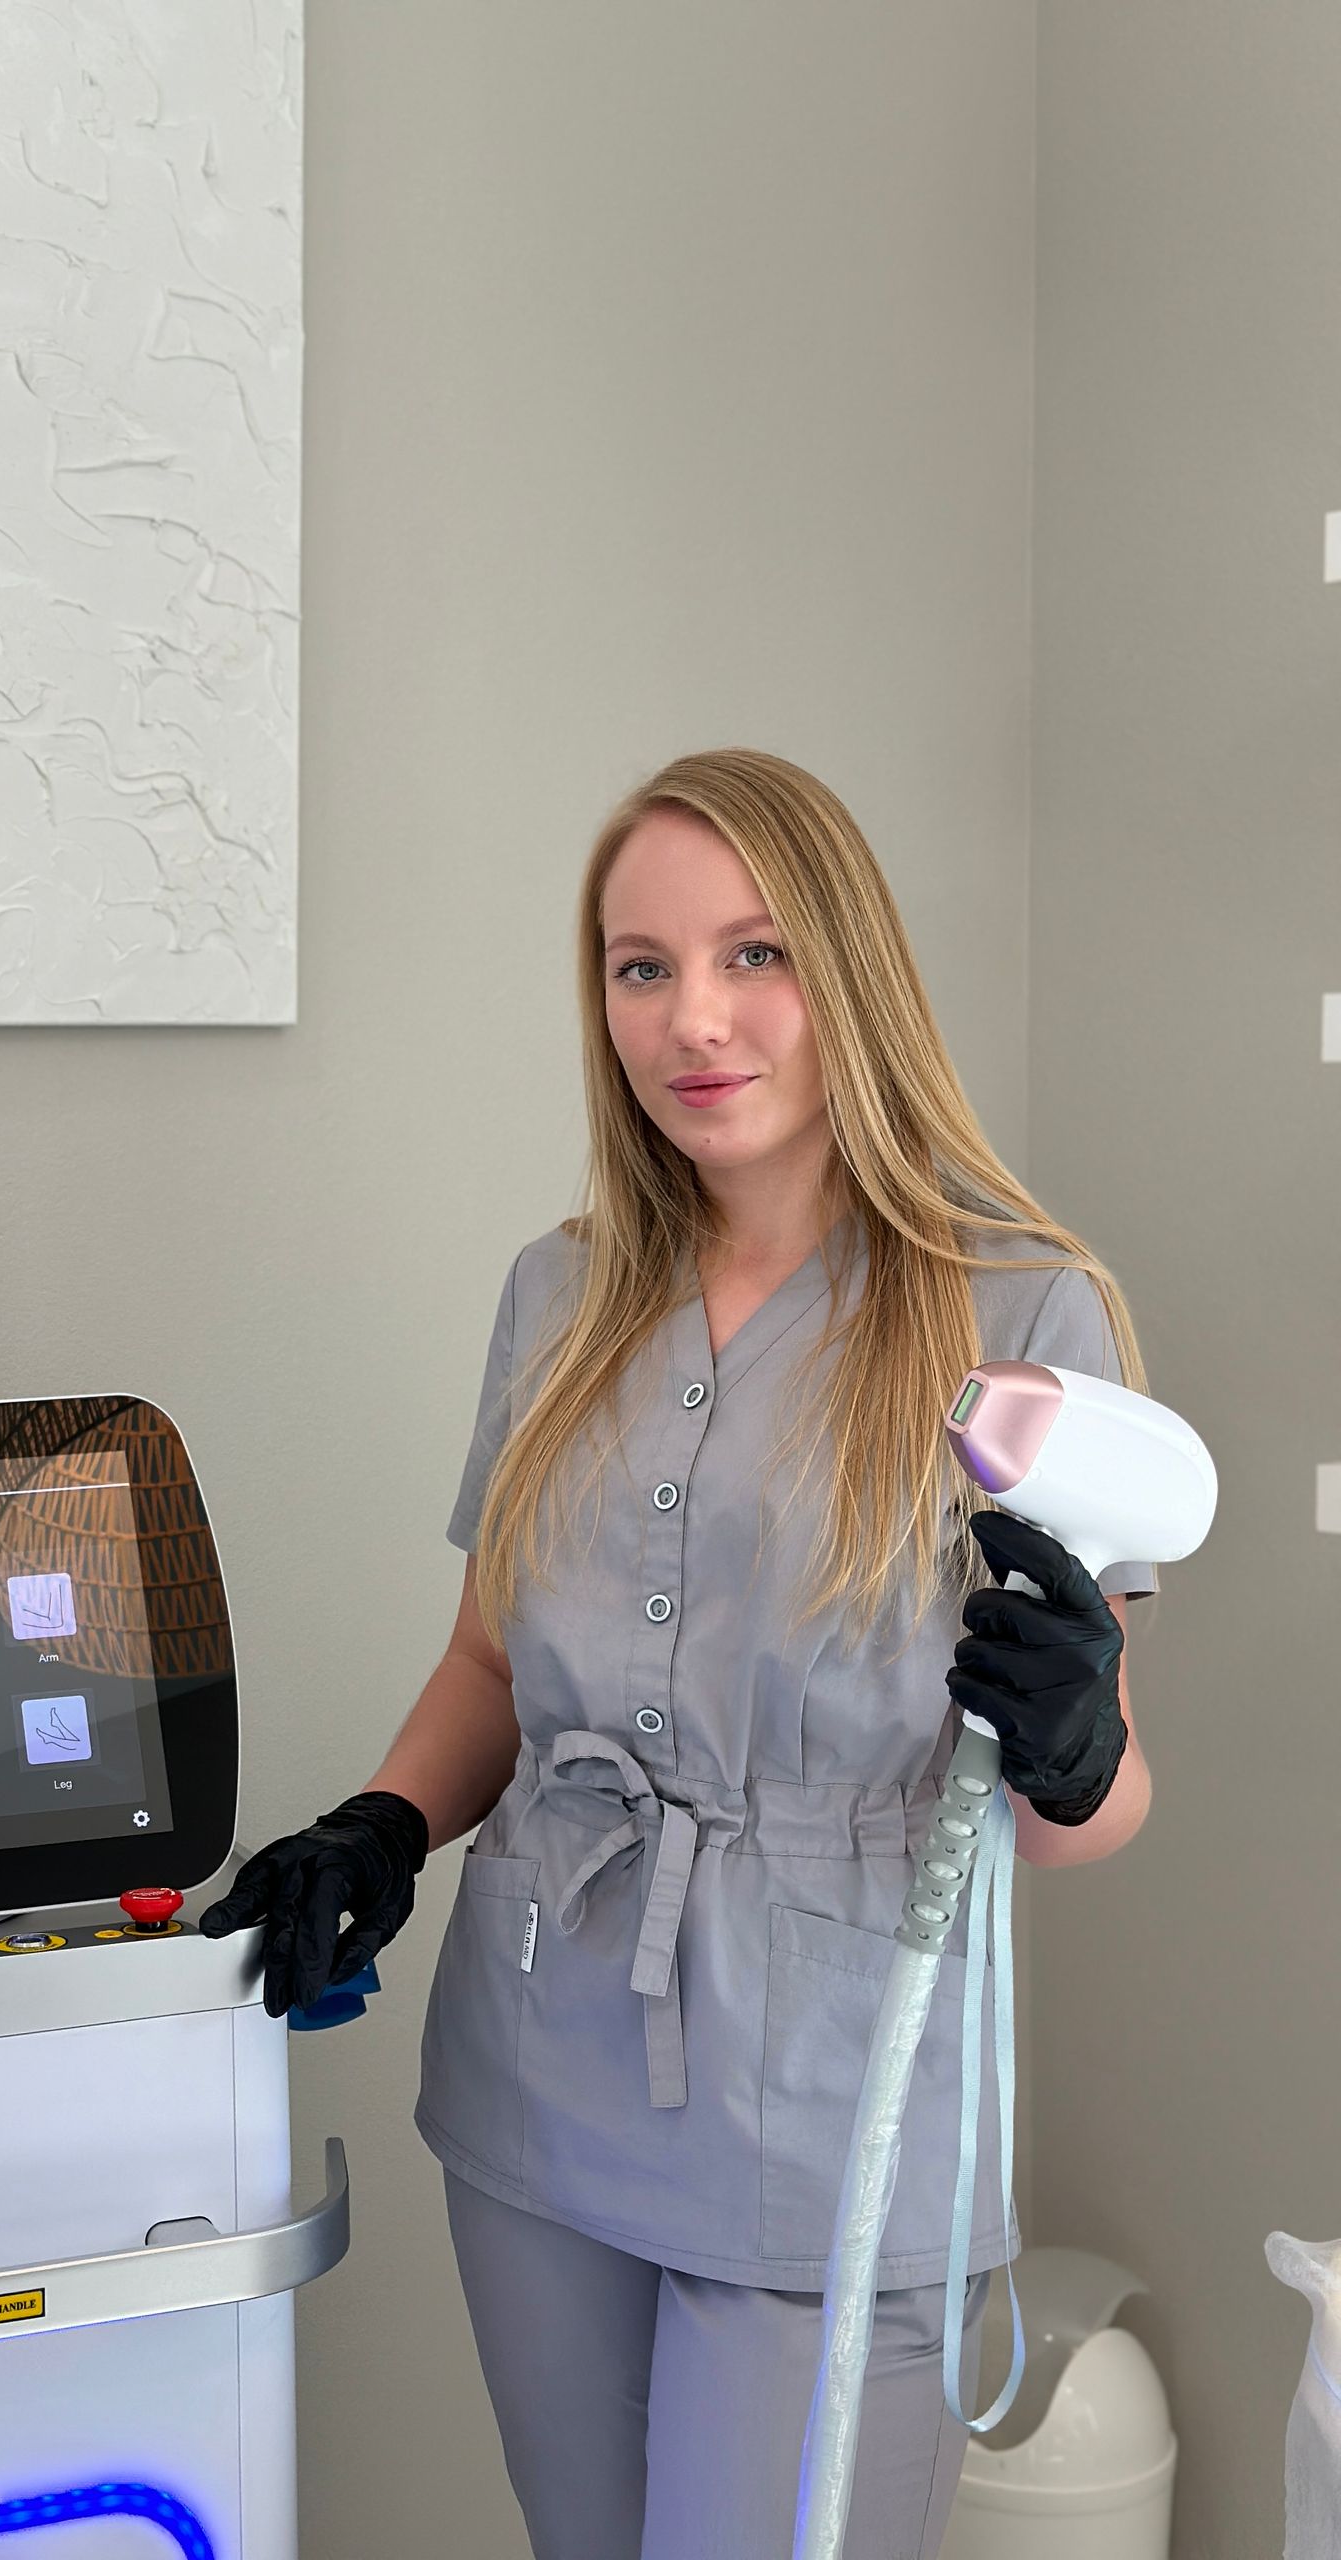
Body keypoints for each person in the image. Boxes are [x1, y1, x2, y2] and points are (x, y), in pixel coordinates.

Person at [202, 748, 1158, 2559]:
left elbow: (1081, 1820)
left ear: (850, 979)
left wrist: (1080, 1741)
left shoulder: (1024, 1314)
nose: (693, 1019)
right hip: (541, 2060)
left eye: (755, 956)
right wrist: (387, 1827)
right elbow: (492, 1663)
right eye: (640, 967)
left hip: (835, 2108)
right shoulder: (559, 1298)